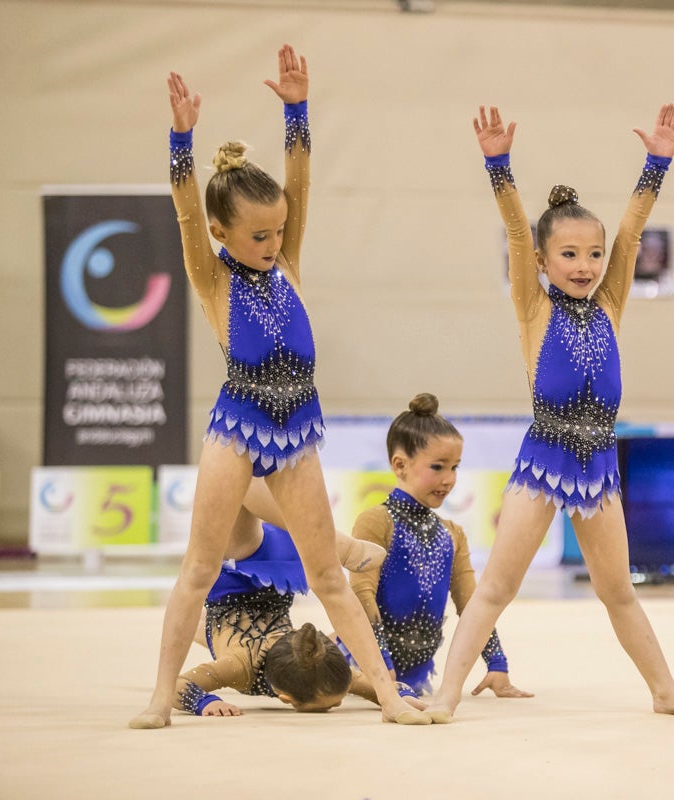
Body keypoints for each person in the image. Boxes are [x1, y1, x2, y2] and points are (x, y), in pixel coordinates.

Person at [130, 44, 427, 728]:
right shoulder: (213, 278)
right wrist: (182, 140)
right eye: (258, 235)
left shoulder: (286, 262)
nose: (272, 243)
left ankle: (387, 692)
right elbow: (183, 206)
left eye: (279, 232)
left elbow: (302, 185)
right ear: (221, 234)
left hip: (297, 431)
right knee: (201, 566)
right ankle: (158, 698)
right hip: (237, 427)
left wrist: (297, 110)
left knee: (329, 575)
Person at [424, 105, 674, 723]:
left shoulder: (610, 301)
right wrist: (498, 166)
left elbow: (634, 233)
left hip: (599, 464)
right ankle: (446, 695)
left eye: (593, 254)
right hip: (545, 458)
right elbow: (514, 231)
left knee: (618, 591)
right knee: (498, 588)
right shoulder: (533, 305)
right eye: (569, 255)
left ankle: (666, 691)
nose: (585, 265)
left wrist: (657, 165)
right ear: (542, 261)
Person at [343, 393, 532, 701]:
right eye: (438, 467)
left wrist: (497, 663)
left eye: (455, 467)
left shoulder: (452, 534)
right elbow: (361, 597)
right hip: (360, 664)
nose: (449, 479)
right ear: (400, 464)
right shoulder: (376, 520)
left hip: (415, 678)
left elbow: (473, 604)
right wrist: (380, 667)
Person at [175, 481, 400, 718]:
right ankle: (334, 543)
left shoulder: (318, 675)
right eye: (331, 706)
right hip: (247, 573)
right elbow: (176, 685)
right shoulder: (242, 666)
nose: (340, 703)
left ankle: (326, 539)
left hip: (253, 579)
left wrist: (401, 698)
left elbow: (388, 688)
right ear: (287, 698)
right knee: (242, 484)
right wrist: (204, 701)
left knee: (240, 481)